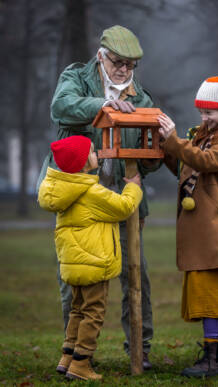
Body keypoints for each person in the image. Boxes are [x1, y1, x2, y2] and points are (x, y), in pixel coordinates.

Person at [37, 25, 160, 369]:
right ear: (101, 56)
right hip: (77, 199)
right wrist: (102, 103)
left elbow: (147, 163)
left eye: (131, 65)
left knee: (137, 276)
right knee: (74, 280)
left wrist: (161, 146)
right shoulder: (76, 77)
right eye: (118, 62)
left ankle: (140, 349)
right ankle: (75, 352)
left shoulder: (142, 99)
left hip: (121, 200)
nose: (124, 70)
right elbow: (60, 108)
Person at [158, 76, 218, 377]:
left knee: (207, 284)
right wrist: (167, 150)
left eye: (210, 112)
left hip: (215, 219)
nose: (204, 117)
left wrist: (176, 141)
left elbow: (208, 161)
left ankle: (213, 358)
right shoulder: (203, 134)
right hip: (202, 220)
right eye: (201, 111)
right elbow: (187, 166)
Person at [38, 135, 143, 381]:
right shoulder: (90, 192)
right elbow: (124, 207)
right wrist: (133, 187)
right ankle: (81, 363)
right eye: (94, 151)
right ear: (85, 162)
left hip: (74, 264)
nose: (98, 154)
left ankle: (67, 357)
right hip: (94, 264)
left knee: (77, 310)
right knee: (93, 312)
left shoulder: (63, 189)